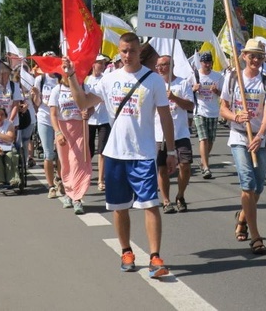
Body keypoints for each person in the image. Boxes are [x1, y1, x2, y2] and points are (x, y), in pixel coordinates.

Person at [64, 32, 176, 279]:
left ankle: (155, 257)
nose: (128, 55)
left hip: (144, 153)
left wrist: (171, 150)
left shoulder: (153, 81)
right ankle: (126, 252)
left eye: (132, 51)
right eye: (124, 51)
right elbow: (83, 103)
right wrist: (71, 76)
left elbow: (165, 117)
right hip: (115, 154)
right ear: (118, 51)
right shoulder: (109, 79)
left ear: (139, 52)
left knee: (150, 205)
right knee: (119, 207)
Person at [220, 38, 266, 255]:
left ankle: (242, 217)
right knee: (248, 184)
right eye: (251, 55)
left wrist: (260, 135)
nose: (255, 60)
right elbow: (223, 108)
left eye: (259, 56)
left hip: (259, 138)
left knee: (260, 185)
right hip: (238, 136)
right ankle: (256, 237)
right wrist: (236, 116)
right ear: (243, 56)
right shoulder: (233, 77)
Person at [48, 70, 92, 215]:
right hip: (63, 129)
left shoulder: (83, 87)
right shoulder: (57, 90)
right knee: (65, 163)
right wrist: (58, 132)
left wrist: (88, 112)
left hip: (80, 128)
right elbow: (53, 114)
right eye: (66, 74)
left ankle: (77, 198)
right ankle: (68, 193)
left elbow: (91, 105)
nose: (70, 76)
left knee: (77, 162)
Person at [155, 55, 194, 213]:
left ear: (172, 65)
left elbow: (190, 105)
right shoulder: (154, 85)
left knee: (185, 166)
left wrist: (174, 98)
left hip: (180, 133)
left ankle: (180, 195)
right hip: (160, 133)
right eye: (158, 66)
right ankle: (166, 200)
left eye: (164, 65)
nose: (161, 68)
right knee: (162, 169)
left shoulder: (183, 83)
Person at [30, 55, 62, 198]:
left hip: (60, 119)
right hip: (44, 118)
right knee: (49, 153)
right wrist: (36, 95)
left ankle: (60, 179)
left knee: (61, 153)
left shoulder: (61, 78)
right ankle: (51, 186)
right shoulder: (40, 79)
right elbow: (37, 103)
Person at [189, 51, 224, 179]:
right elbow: (186, 91)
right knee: (203, 139)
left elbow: (224, 95)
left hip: (213, 112)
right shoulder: (195, 75)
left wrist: (216, 91)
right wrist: (193, 88)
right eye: (205, 62)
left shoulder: (218, 77)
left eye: (209, 62)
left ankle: (204, 162)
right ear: (201, 63)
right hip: (200, 111)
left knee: (210, 141)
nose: (207, 65)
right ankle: (206, 167)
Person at [84, 55, 111, 191]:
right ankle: (87, 176)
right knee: (88, 151)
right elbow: (83, 98)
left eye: (103, 63)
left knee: (102, 151)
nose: (101, 65)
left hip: (104, 119)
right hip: (90, 120)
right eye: (99, 63)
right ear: (93, 64)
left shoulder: (107, 79)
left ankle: (101, 180)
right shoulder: (86, 80)